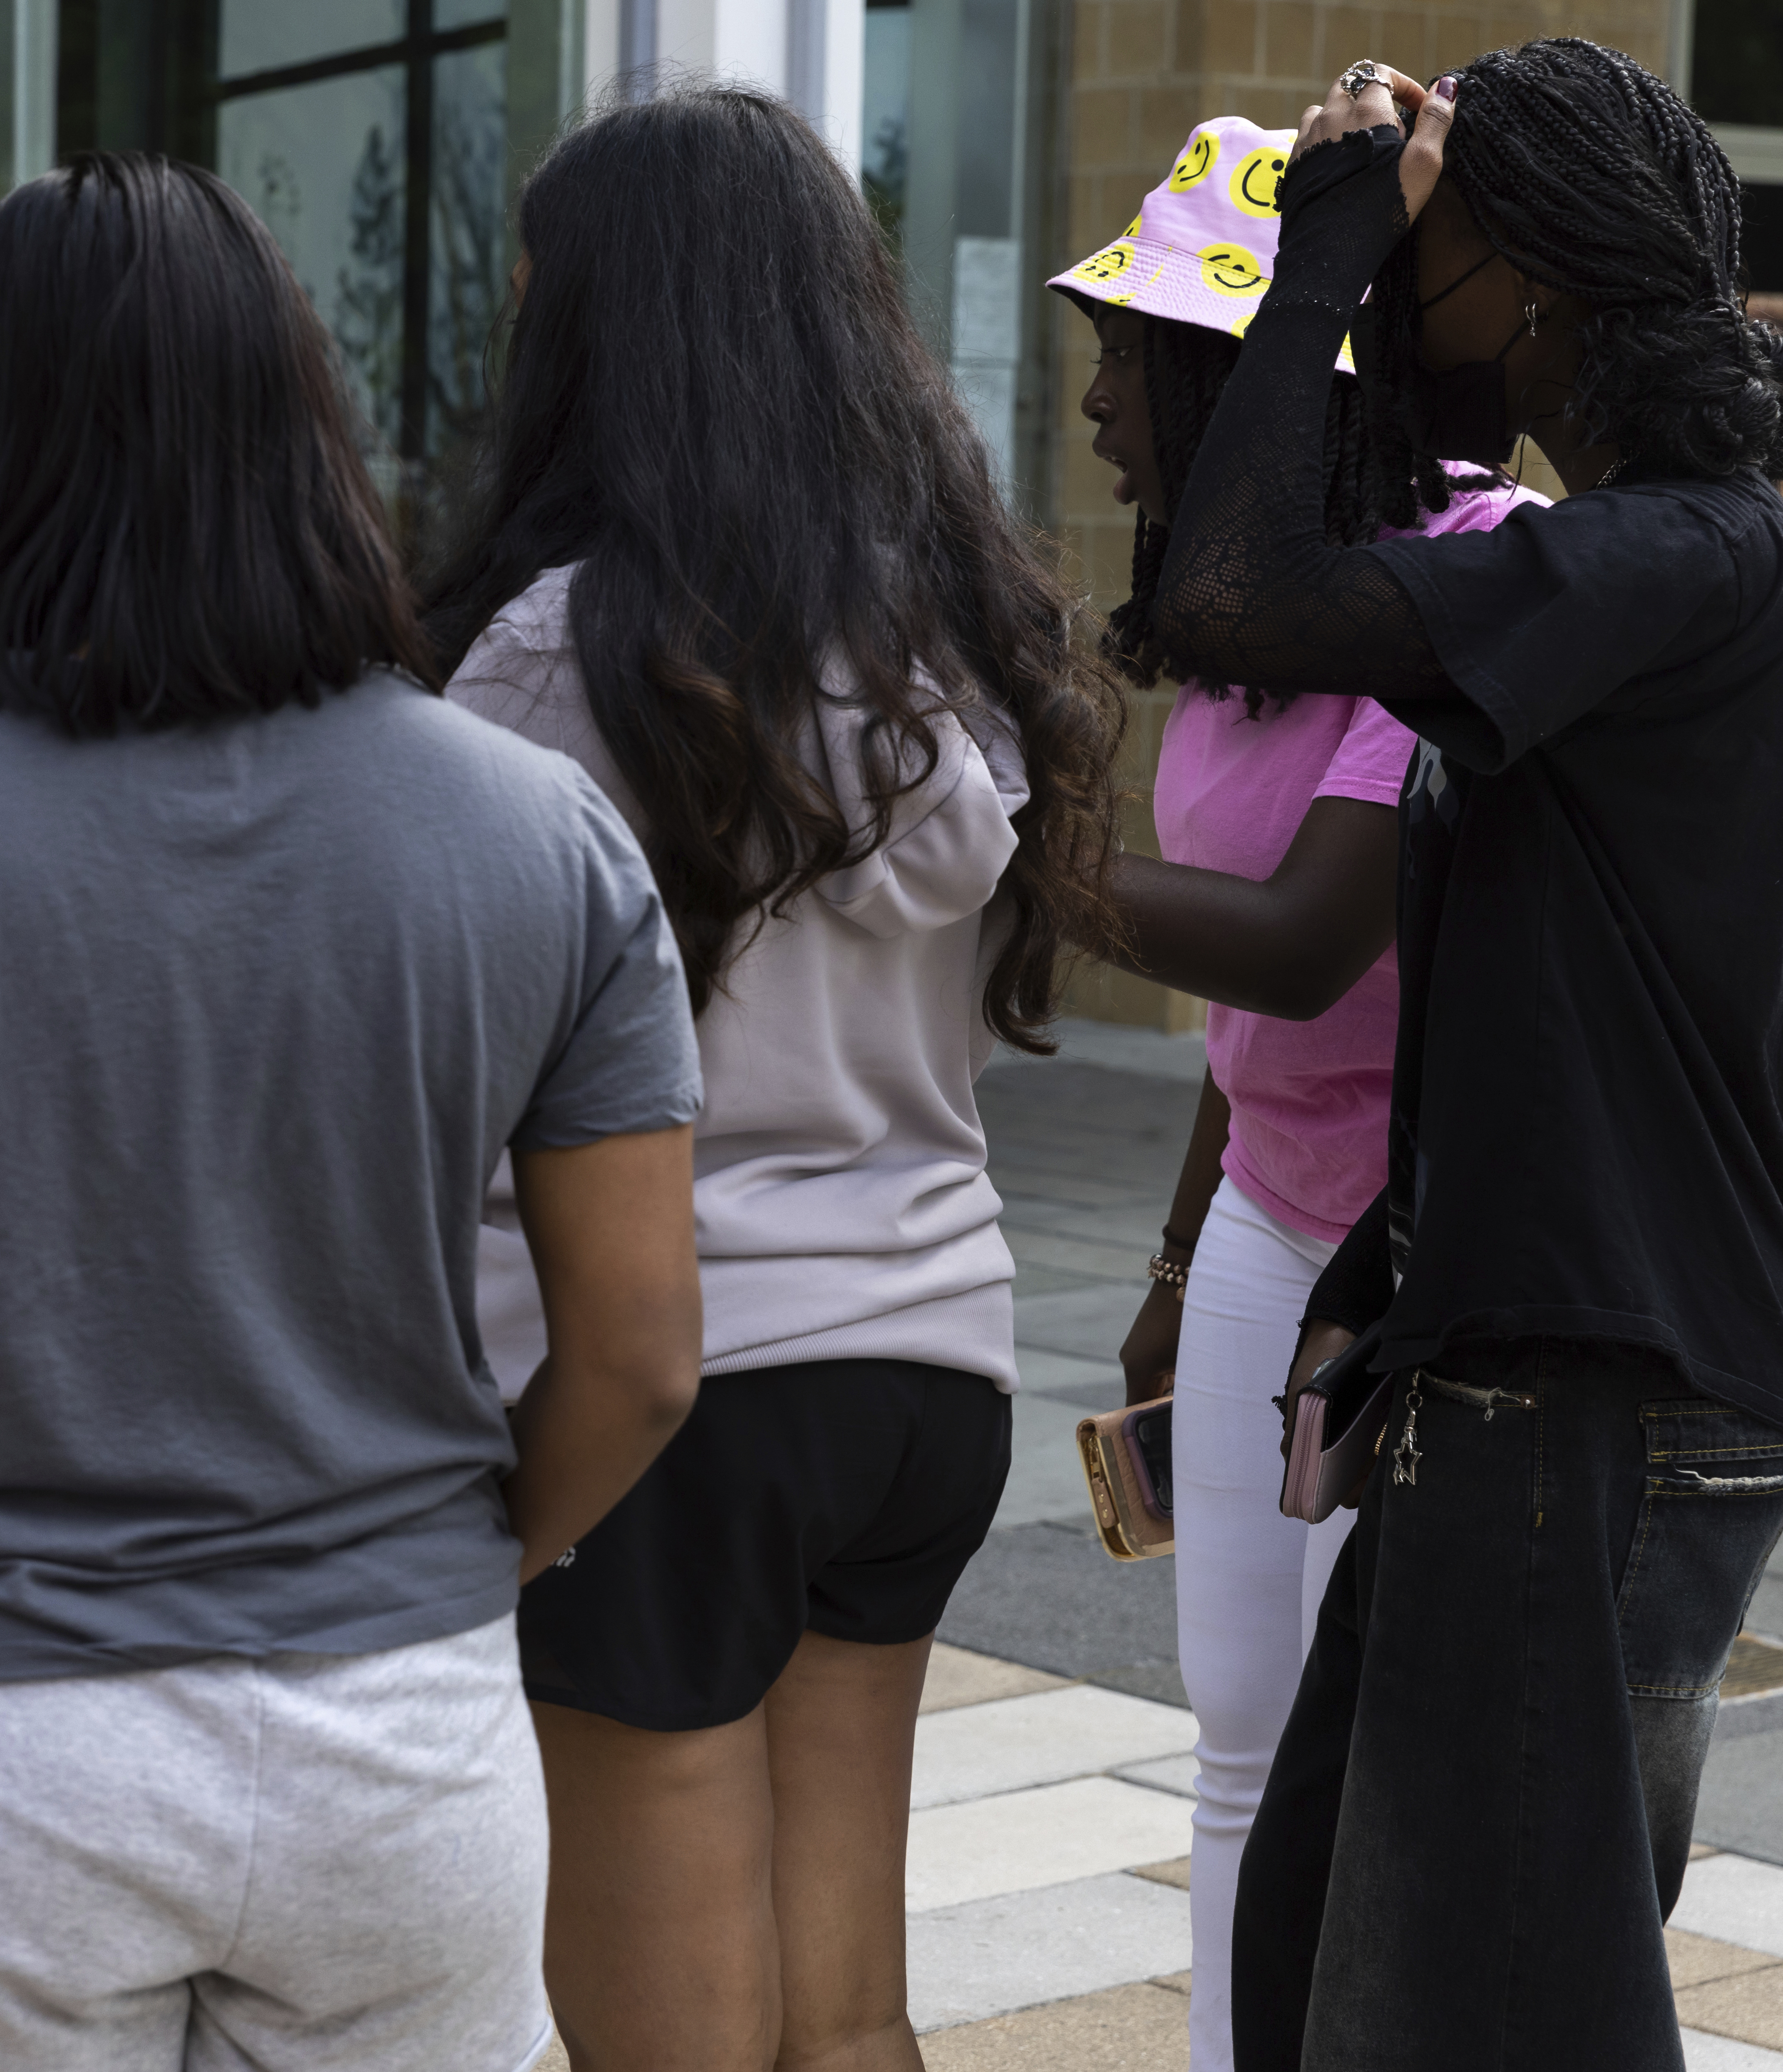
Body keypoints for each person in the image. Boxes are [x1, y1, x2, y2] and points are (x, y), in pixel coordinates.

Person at [0, 153, 710, 2072]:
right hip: (400, 1746)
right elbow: (638, 1359)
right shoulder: (534, 828)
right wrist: (460, 1567)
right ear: (305, 425)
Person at [420, 87, 1125, 2072]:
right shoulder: (947, 644)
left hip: (666, 1382)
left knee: (669, 2038)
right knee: (846, 2019)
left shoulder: (563, 656)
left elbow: (449, 1049)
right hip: (925, 1365)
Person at [1146, 42, 1783, 2070]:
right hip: (1521, 1372)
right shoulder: (1617, 558)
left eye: (1414, 259)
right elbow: (1337, 539)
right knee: (1317, 1959)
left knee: (1499, 2008)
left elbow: (1229, 585)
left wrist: (1318, 241)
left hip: (1590, 1396)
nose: (1373, 301)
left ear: (1520, 276)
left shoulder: (1668, 560)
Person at [1042, 115, 1541, 2072]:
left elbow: (1299, 937)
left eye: (1128, 352)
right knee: (1239, 1729)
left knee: (1386, 1760)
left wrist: (993, 844)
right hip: (1269, 1224)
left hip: (1424, 1263)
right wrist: (1183, 1246)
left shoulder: (1457, 571)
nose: (1094, 398)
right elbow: (1251, 1026)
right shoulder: (1245, 624)